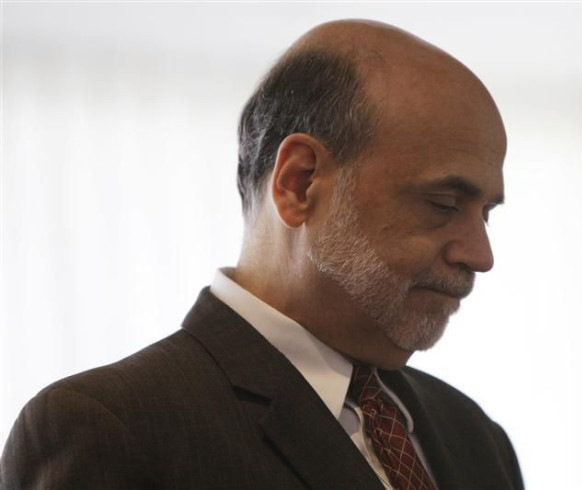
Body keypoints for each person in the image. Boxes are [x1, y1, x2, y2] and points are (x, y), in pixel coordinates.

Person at [0, 19, 523, 490]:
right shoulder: (113, 428)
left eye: (486, 213)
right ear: (299, 183)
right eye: (444, 203)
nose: (480, 255)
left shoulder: (473, 435)